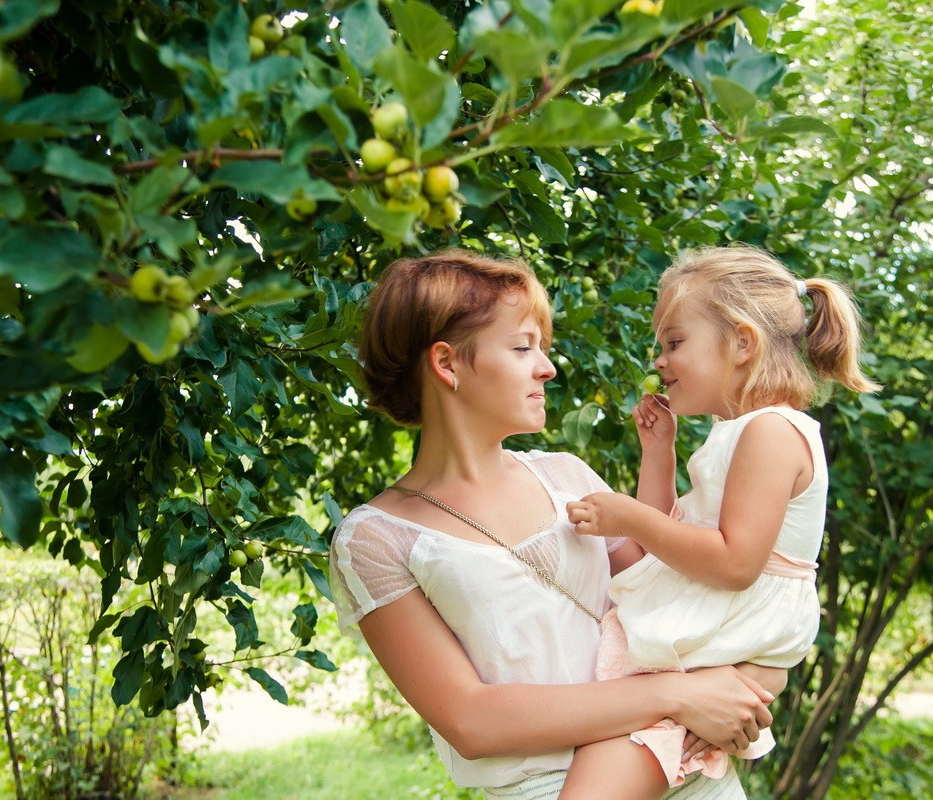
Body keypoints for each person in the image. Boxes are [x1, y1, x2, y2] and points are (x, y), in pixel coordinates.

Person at [329, 248, 784, 800]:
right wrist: (680, 696)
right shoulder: (376, 539)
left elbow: (663, 600)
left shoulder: (567, 476)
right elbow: (472, 721)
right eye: (523, 347)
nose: (547, 368)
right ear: (447, 364)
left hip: (686, 774)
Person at [559, 245, 881, 799]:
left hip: (732, 625)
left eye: (674, 343)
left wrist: (627, 515)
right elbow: (667, 546)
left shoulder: (772, 432)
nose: (660, 362)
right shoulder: (738, 433)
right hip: (718, 624)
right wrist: (658, 455)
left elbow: (734, 564)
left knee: (605, 769)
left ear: (741, 343)